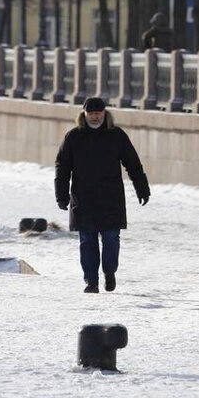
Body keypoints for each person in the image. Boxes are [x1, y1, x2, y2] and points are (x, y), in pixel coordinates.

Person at [55, 96, 150, 293]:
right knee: (87, 241)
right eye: (91, 113)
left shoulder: (116, 135)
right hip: (83, 198)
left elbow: (133, 164)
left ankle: (109, 271)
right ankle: (91, 281)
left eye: (98, 113)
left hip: (111, 198)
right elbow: (62, 168)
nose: (95, 117)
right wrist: (61, 195)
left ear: (105, 113)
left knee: (111, 238)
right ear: (84, 114)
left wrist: (142, 189)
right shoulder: (73, 137)